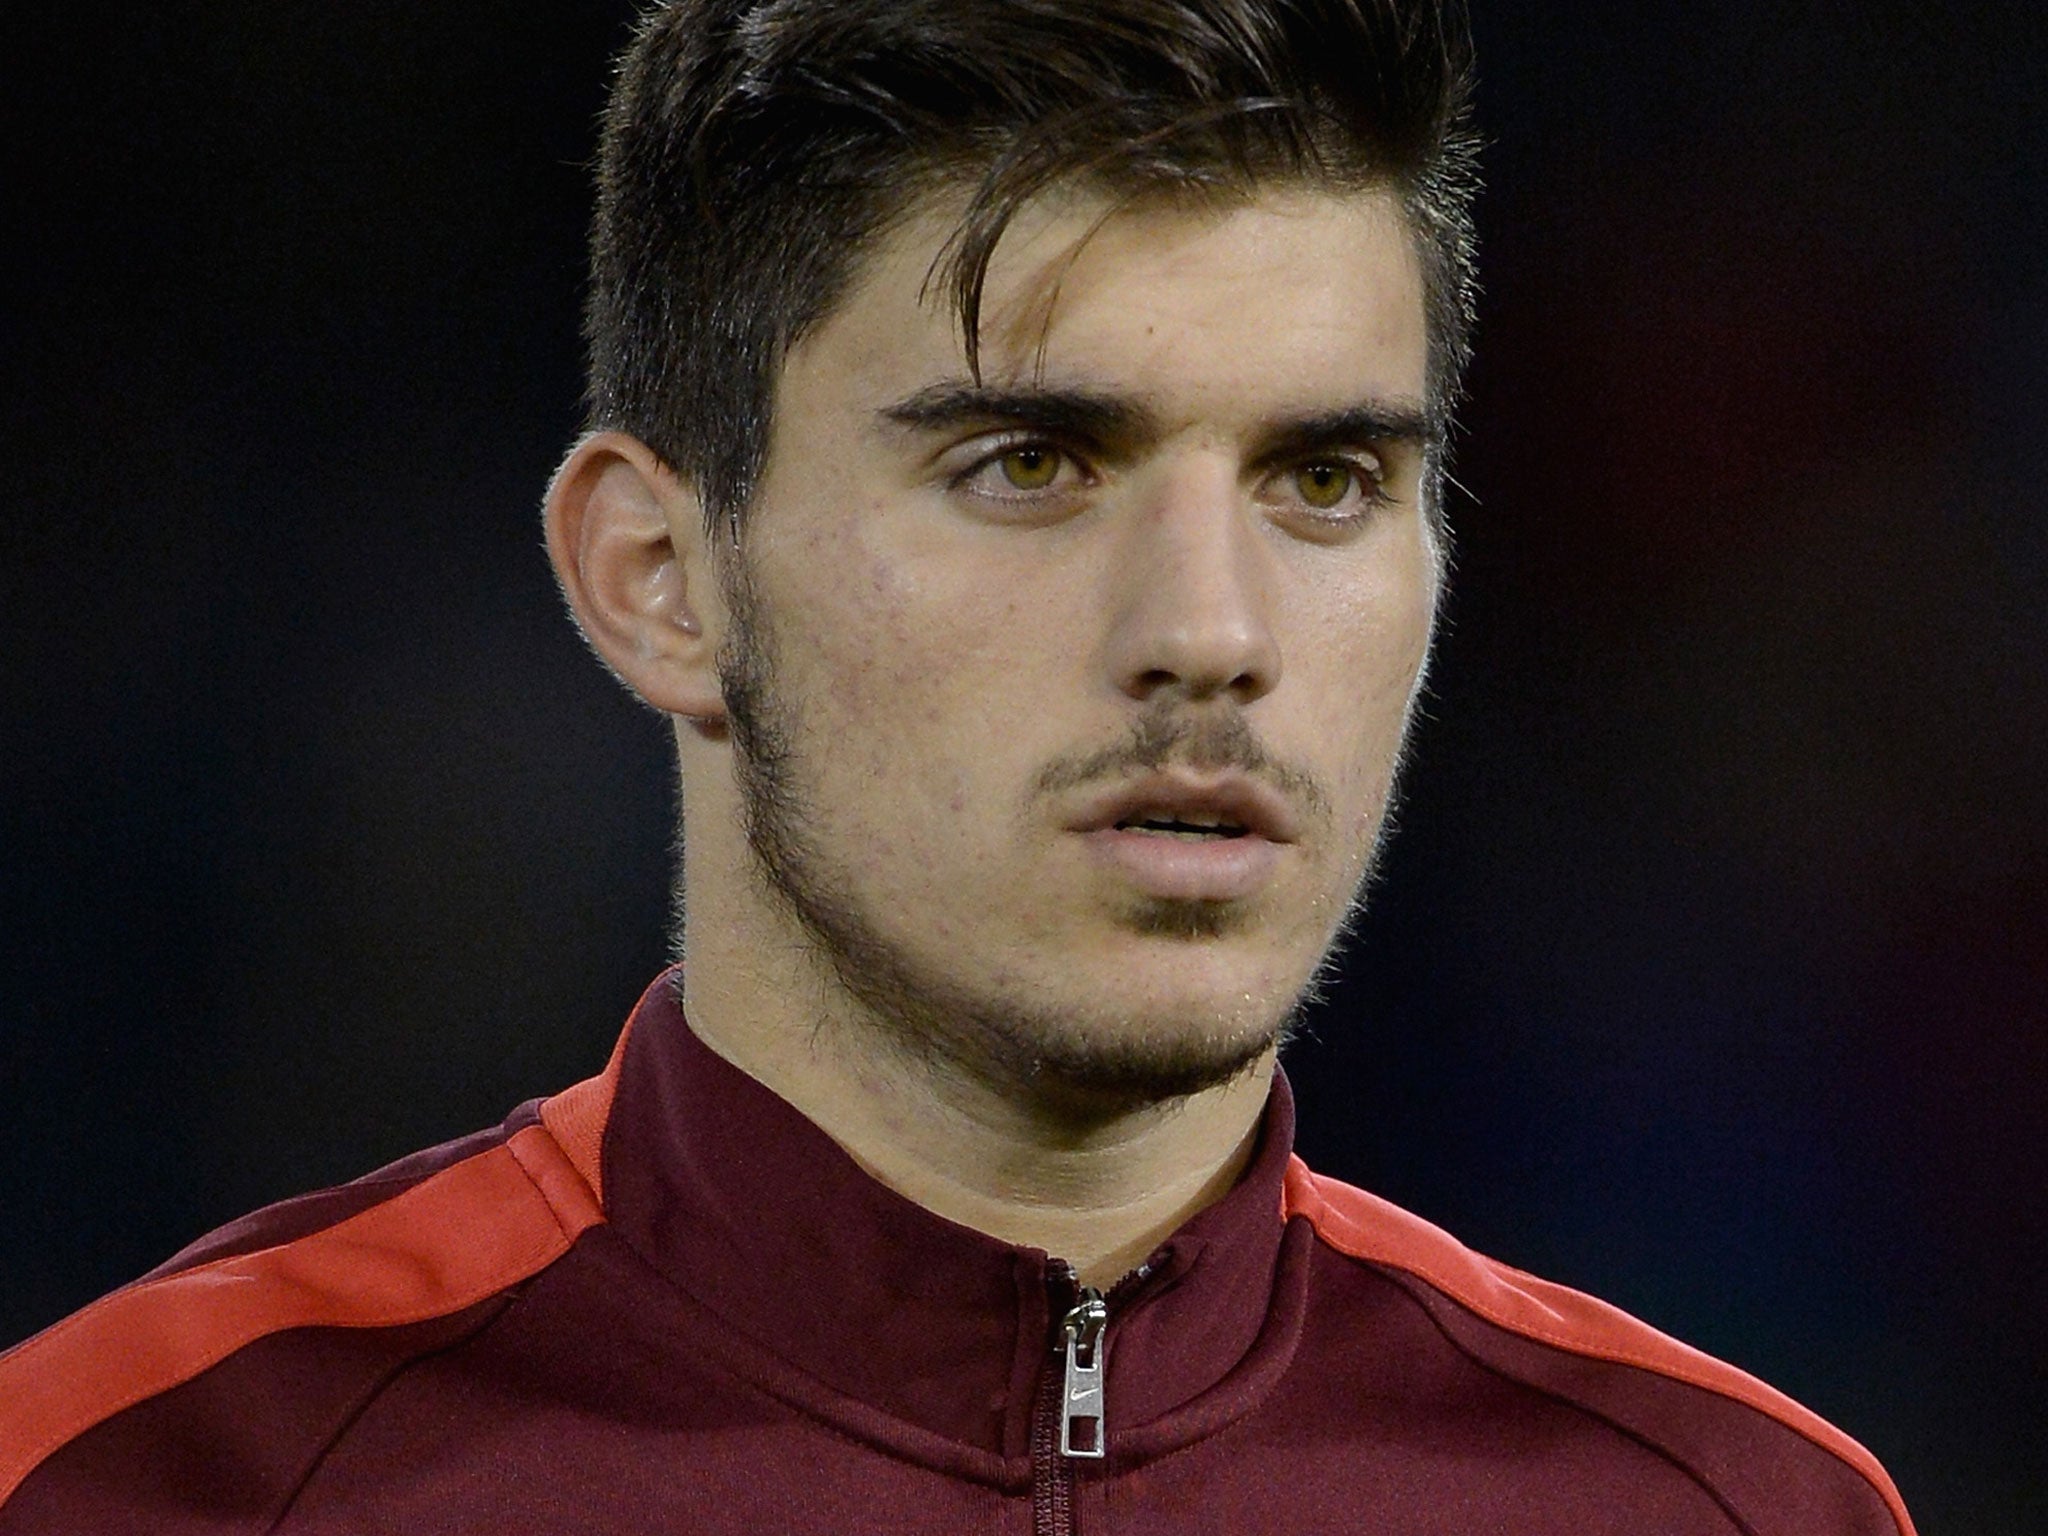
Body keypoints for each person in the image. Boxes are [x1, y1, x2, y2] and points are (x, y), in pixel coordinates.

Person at [0, 1, 1916, 1530]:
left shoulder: (1737, 1508)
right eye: (1030, 463)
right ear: (662, 584)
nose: (1212, 629)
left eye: (1324, 478)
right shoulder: (138, 1481)